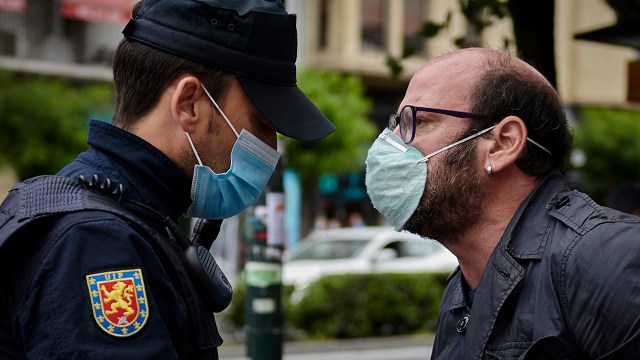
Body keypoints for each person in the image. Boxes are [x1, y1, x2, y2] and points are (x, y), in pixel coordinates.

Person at [0, 0, 334, 358]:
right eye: (261, 123)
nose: (271, 146)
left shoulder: (132, 218)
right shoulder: (97, 246)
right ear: (189, 103)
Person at [365, 48, 640, 359]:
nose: (394, 141)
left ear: (503, 144)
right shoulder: (462, 289)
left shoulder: (606, 261)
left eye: (419, 121)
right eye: (396, 124)